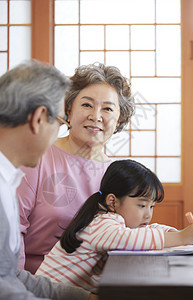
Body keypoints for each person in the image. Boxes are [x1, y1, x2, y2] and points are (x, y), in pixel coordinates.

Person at [17, 62, 135, 274]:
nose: (96, 116)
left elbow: (127, 236)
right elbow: (13, 230)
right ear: (68, 110)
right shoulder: (37, 157)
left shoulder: (118, 174)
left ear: (118, 121)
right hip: (37, 282)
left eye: (107, 108)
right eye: (87, 105)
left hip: (97, 284)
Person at [0, 60, 95, 299]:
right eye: (61, 123)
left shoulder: (8, 179)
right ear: (39, 118)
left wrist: (85, 297)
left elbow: (11, 276)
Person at [36, 159, 193, 294]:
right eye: (142, 206)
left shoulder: (107, 218)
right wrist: (180, 237)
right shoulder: (101, 223)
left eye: (152, 207)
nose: (148, 214)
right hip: (45, 295)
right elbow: (128, 239)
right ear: (112, 201)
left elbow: (144, 230)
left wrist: (175, 232)